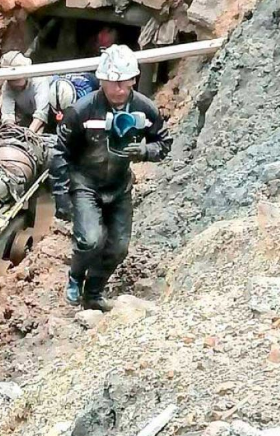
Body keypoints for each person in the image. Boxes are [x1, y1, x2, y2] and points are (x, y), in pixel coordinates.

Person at [50, 45, 172, 310]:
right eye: (113, 83)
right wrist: (61, 195)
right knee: (90, 239)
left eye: (124, 83)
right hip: (86, 182)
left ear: (133, 80)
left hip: (119, 185)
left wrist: (145, 151)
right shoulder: (82, 111)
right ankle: (75, 277)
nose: (119, 90)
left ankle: (93, 294)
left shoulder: (144, 109)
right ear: (102, 81)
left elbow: (164, 143)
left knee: (118, 248)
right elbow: (60, 152)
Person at [0, 50, 50, 133]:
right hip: (29, 115)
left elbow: (42, 113)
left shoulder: (39, 79)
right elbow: (8, 113)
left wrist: (30, 133)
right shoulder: (7, 87)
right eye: (11, 79)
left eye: (16, 79)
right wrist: (12, 129)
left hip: (51, 113)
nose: (13, 82)